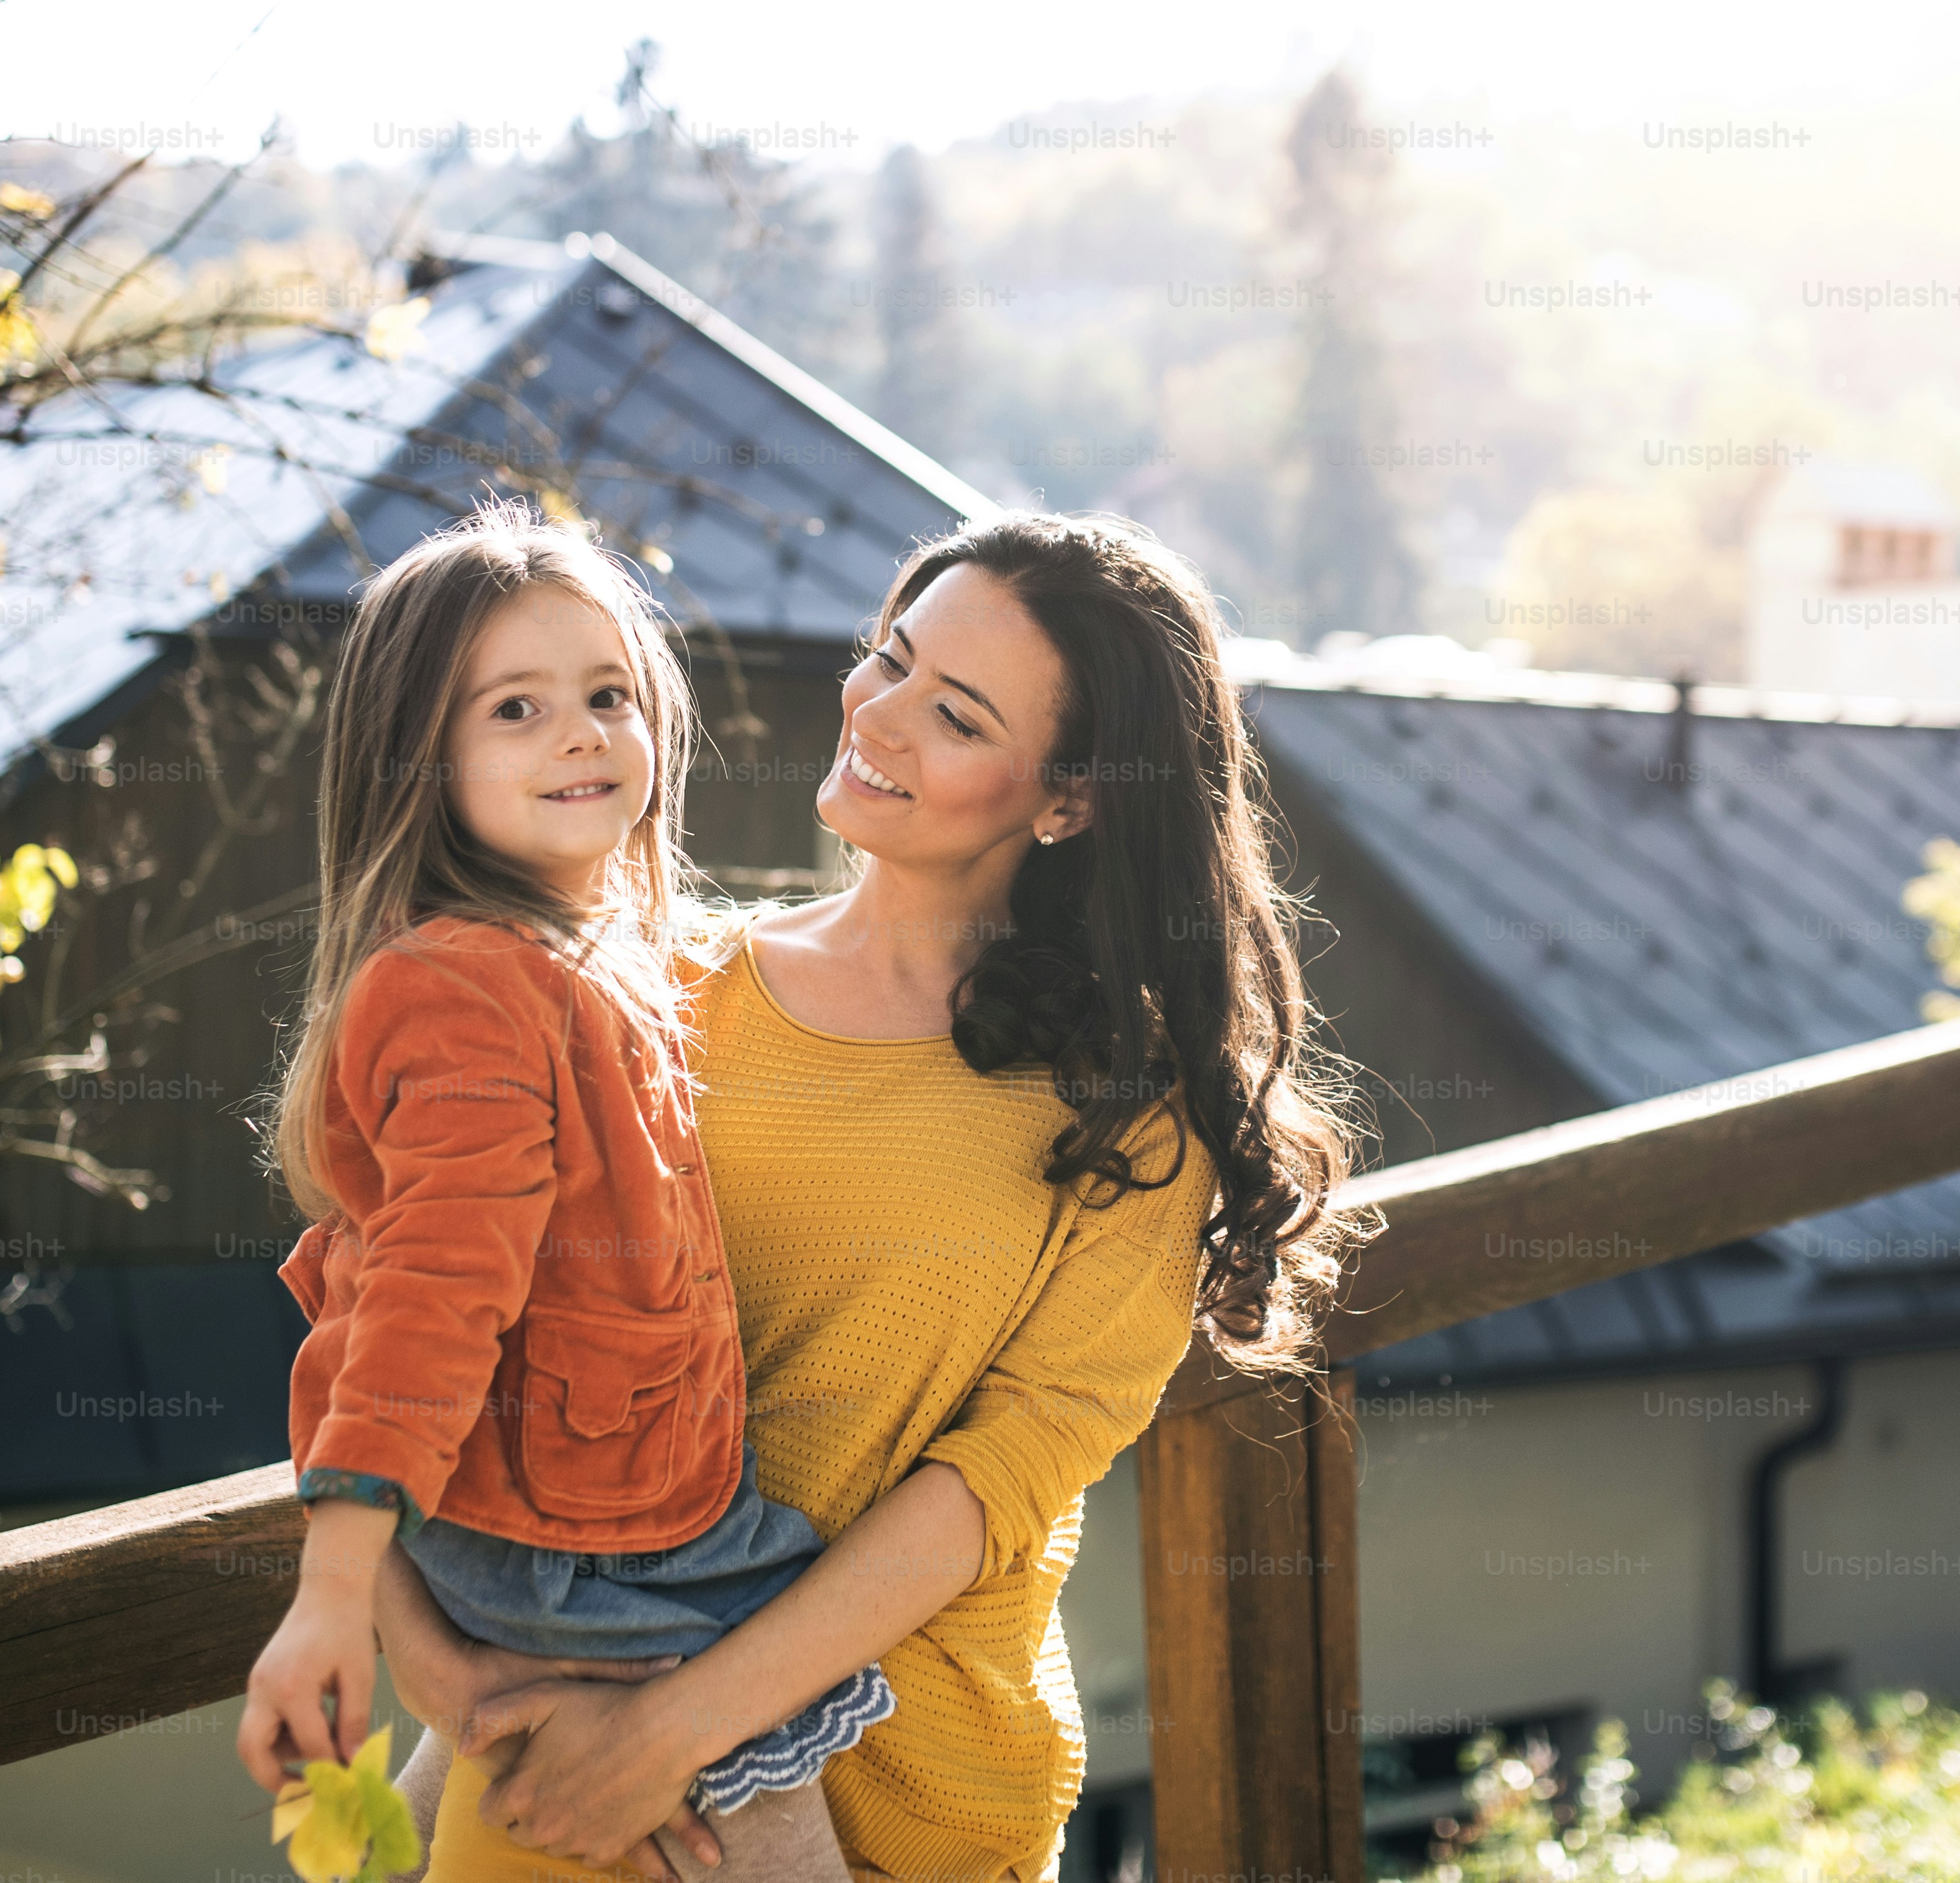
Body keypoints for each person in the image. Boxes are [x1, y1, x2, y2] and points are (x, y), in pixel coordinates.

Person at [374, 512, 1375, 1883]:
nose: (880, 718)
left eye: (955, 715)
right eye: (888, 659)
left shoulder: (1132, 1118)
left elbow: (996, 1481)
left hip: (907, 1787)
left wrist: (682, 1731)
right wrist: (437, 1670)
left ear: (1070, 799)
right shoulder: (639, 994)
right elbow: (395, 1329)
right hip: (575, 1735)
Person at [237, 504, 882, 1883]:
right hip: (593, 1554)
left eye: (607, 696)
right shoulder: (463, 988)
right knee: (768, 1843)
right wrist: (335, 1594)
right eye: (516, 710)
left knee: (477, 1810)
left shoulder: (596, 952)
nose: (582, 735)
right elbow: (432, 1292)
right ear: (423, 762)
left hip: (596, 1519)